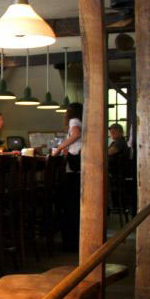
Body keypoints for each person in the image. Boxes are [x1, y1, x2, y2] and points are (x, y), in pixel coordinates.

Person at [54, 102, 82, 251]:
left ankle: (70, 242)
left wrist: (59, 148)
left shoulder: (74, 121)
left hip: (73, 169)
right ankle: (74, 241)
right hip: (79, 168)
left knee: (69, 206)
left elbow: (76, 134)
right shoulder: (82, 121)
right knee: (75, 206)